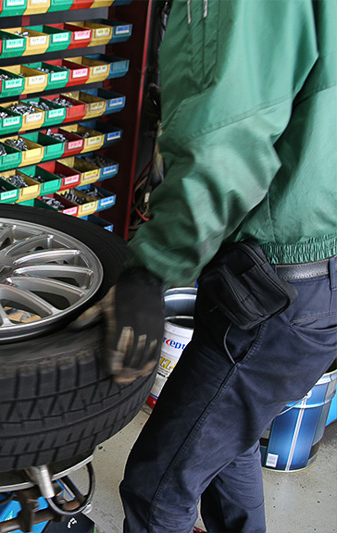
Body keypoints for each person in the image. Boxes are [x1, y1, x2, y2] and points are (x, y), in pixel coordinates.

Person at [90, 1, 337, 531]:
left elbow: (225, 142)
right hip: (311, 269)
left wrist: (151, 269)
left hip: (284, 280)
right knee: (228, 438)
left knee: (157, 489)